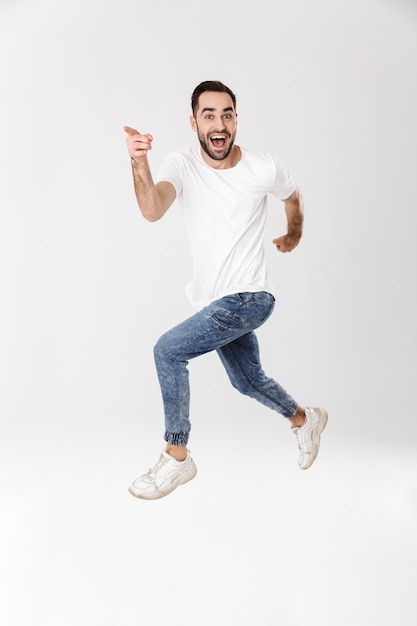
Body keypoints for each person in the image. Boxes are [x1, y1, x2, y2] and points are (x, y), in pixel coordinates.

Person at [123, 80, 327, 500]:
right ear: (194, 121)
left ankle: (177, 456)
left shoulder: (262, 167)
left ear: (236, 120)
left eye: (227, 114)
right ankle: (304, 418)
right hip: (218, 302)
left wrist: (294, 233)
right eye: (209, 115)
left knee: (168, 350)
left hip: (250, 297)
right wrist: (140, 162)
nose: (220, 124)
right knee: (247, 380)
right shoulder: (181, 165)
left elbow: (292, 196)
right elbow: (152, 209)